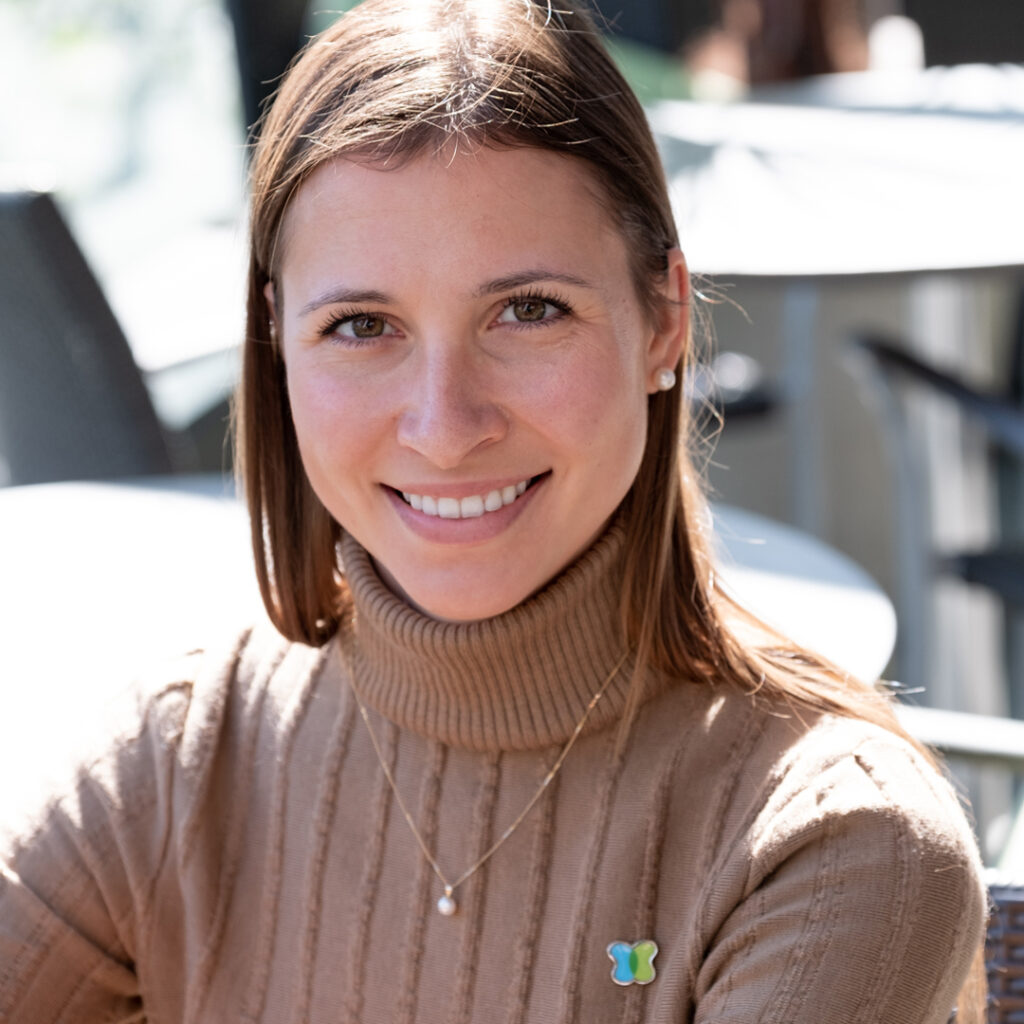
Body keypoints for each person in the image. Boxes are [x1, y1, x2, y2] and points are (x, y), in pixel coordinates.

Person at [0, 0, 986, 1021]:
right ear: (276, 341)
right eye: (361, 324)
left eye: (528, 310)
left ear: (661, 320)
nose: (443, 423)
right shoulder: (175, 768)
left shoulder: (829, 844)